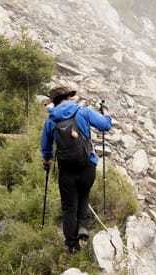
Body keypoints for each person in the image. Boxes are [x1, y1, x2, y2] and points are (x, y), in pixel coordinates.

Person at [40, 86, 112, 253]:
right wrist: (106, 112)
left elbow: (46, 147)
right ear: (68, 97)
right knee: (84, 194)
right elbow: (105, 125)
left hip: (66, 169)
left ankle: (72, 246)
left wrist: (46, 161)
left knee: (68, 207)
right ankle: (83, 227)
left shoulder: (51, 120)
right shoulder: (83, 111)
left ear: (54, 101)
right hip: (87, 165)